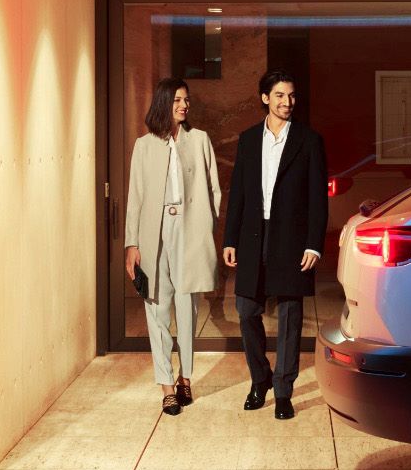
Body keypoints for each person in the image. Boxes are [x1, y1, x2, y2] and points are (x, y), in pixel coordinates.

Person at [222, 69, 327, 421]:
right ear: (265, 98)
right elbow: (237, 192)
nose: (287, 102)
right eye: (280, 95)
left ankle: (284, 391)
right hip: (253, 236)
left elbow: (317, 199)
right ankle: (260, 379)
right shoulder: (249, 139)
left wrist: (314, 244)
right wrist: (230, 239)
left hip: (292, 239)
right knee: (246, 310)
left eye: (292, 96)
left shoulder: (309, 141)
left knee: (289, 316)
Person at [124, 78, 222, 416]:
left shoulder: (200, 140)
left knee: (187, 306)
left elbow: (214, 188)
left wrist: (212, 225)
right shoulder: (144, 146)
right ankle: (166, 385)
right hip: (155, 231)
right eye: (178, 100)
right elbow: (135, 198)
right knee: (157, 307)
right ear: (164, 103)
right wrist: (132, 243)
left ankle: (186, 377)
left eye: (186, 100)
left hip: (190, 229)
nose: (184, 105)